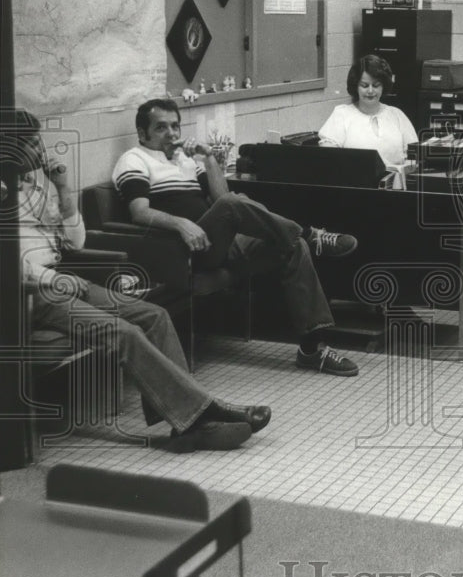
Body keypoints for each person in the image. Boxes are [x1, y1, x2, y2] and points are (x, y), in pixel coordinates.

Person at [2, 109, 271, 452]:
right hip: (29, 294)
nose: (37, 148)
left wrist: (63, 189)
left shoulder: (37, 185)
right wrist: (46, 279)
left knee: (153, 316)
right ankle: (198, 416)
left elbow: (76, 242)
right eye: (27, 142)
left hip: (61, 279)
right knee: (124, 333)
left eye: (36, 139)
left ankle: (188, 420)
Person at [112, 98, 360, 377]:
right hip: (179, 251)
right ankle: (309, 232)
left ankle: (312, 349)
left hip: (215, 241)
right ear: (143, 133)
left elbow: (220, 196)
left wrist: (207, 158)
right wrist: (181, 224)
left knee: (291, 245)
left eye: (175, 126)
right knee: (235, 206)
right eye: (161, 128)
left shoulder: (183, 159)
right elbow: (139, 212)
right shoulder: (133, 159)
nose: (171, 134)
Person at [318, 54, 418, 188]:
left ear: (383, 86)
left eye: (376, 85)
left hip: (395, 190)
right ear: (356, 86)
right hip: (354, 190)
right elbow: (329, 155)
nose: (370, 91)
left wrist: (404, 168)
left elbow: (415, 157)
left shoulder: (397, 115)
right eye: (364, 85)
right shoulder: (342, 114)